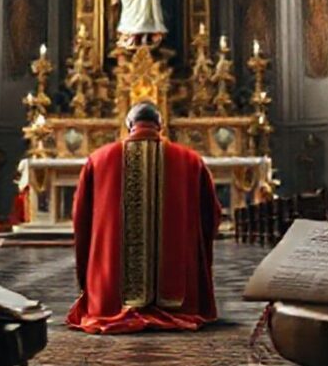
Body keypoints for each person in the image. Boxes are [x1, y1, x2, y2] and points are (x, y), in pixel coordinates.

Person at [67, 101, 220, 334]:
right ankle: (174, 304)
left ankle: (109, 303)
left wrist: (86, 272)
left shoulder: (99, 159)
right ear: (161, 125)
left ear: (129, 125)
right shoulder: (190, 160)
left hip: (110, 296)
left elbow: (81, 217)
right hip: (180, 293)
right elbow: (211, 215)